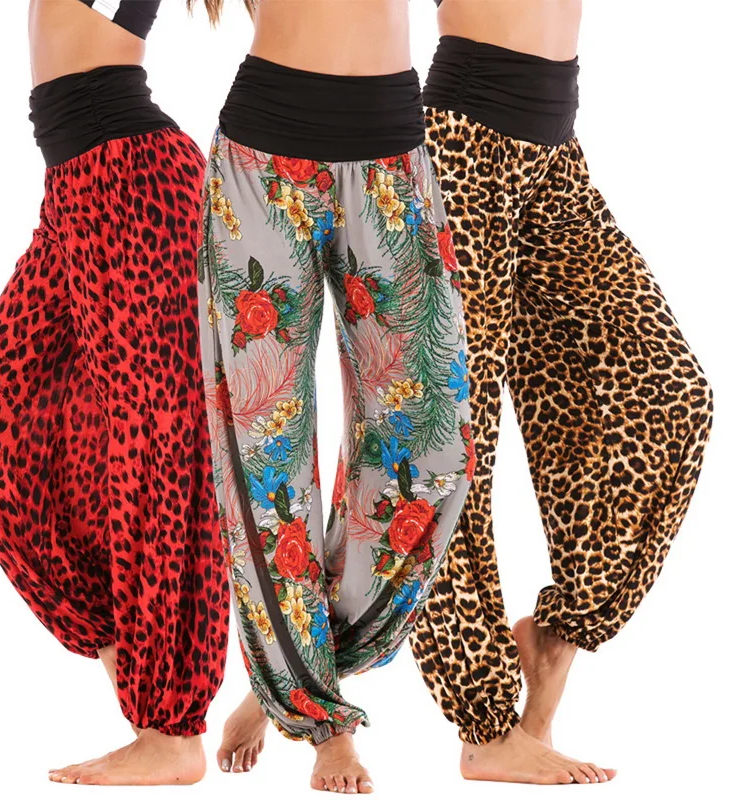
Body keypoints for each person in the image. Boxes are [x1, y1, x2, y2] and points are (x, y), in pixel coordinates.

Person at [408, 0, 714, 785]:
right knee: (450, 441)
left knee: (671, 394)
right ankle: (483, 727)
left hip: (553, 151)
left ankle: (555, 640)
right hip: (461, 146)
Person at [0, 0, 231, 786]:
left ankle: (170, 728)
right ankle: (127, 652)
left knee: (153, 450)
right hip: (76, 191)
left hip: (133, 183)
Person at [198, 0, 475, 792]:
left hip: (393, 155)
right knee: (264, 457)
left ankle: (293, 672)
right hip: (261, 163)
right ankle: (322, 720)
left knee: (436, 448)